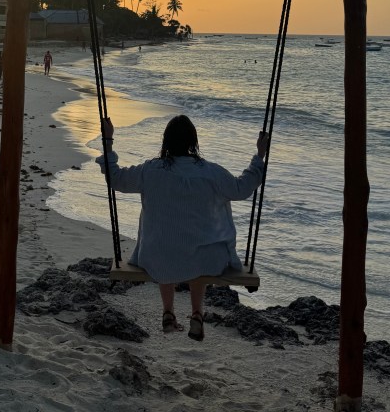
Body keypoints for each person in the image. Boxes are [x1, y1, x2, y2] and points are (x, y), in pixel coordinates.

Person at [98, 115, 268, 341]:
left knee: (168, 246)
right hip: (207, 259)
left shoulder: (150, 170)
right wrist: (259, 155)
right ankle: (197, 313)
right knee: (198, 251)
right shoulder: (212, 172)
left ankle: (168, 312)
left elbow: (116, 178)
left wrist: (108, 139)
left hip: (156, 257)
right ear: (193, 142)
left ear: (165, 142)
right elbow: (241, 189)